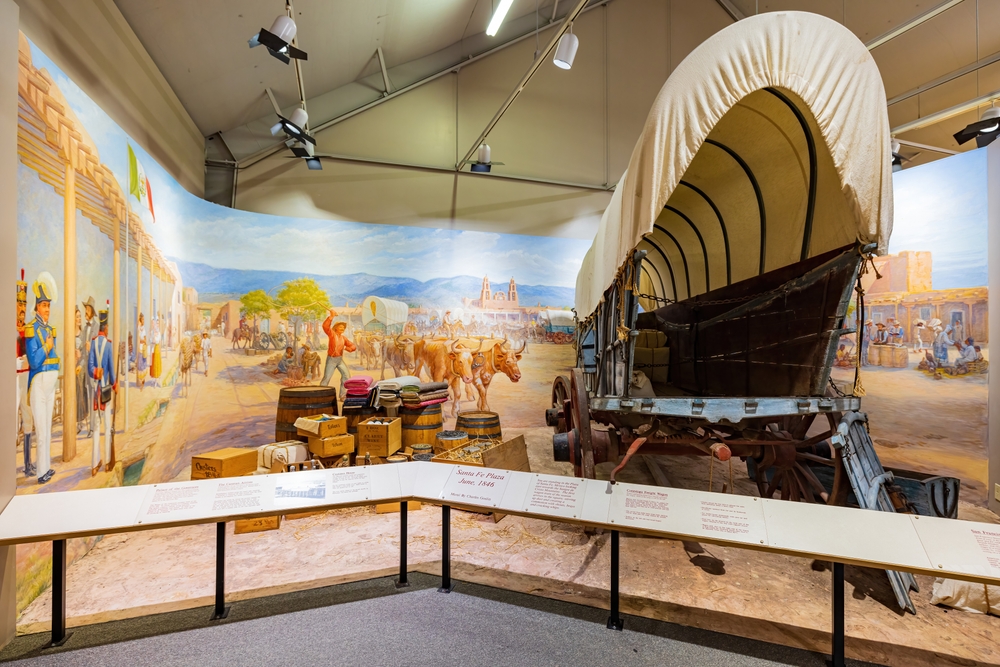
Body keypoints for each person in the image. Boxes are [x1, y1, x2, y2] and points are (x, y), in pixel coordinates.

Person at [25, 276, 58, 484]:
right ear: (37, 307)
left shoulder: (49, 329)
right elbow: (35, 360)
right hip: (38, 383)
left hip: (51, 384)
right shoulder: (32, 330)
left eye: (48, 305)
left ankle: (46, 468)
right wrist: (46, 346)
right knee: (41, 430)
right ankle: (40, 473)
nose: (47, 309)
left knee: (48, 429)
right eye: (43, 305)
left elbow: (55, 359)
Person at [88, 309, 116, 476]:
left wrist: (96, 372)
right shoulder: (109, 344)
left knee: (96, 427)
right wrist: (115, 384)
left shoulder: (92, 343)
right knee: (106, 426)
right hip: (105, 390)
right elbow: (112, 370)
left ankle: (93, 465)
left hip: (96, 392)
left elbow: (90, 368)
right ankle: (106, 463)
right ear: (106, 328)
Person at [15, 273, 34, 477]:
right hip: (13, 379)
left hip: (25, 378)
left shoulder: (28, 330)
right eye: (18, 305)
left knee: (28, 418)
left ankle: (28, 464)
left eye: (23, 305)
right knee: (12, 420)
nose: (21, 310)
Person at [321, 309, 356, 397]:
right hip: (331, 360)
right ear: (336, 328)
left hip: (339, 360)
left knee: (346, 376)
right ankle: (319, 395)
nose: (342, 328)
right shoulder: (332, 334)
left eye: (343, 328)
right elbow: (325, 326)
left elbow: (353, 346)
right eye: (340, 327)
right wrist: (331, 316)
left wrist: (347, 348)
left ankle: (343, 395)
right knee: (326, 378)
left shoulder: (343, 338)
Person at [80, 296, 98, 437]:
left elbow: (99, 347)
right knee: (88, 396)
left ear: (91, 311)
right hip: (85, 368)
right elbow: (81, 348)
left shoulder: (97, 326)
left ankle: (92, 428)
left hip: (94, 368)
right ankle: (92, 424)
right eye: (85, 309)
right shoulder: (85, 328)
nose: (85, 312)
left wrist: (91, 347)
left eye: (87, 309)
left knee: (93, 397)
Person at [74, 307, 88, 435]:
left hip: (81, 367)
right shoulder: (70, 335)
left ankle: (80, 421)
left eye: (80, 316)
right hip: (72, 367)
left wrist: (80, 362)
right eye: (77, 316)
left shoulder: (83, 334)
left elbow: (85, 353)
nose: (79, 319)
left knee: (80, 393)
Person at [136, 312, 148, 390]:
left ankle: (143, 382)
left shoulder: (143, 328)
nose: (143, 320)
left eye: (144, 319)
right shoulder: (139, 328)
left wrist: (143, 340)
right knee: (140, 366)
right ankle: (141, 382)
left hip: (143, 348)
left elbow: (145, 338)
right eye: (142, 319)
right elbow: (139, 339)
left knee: (143, 365)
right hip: (140, 349)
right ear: (140, 320)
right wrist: (142, 340)